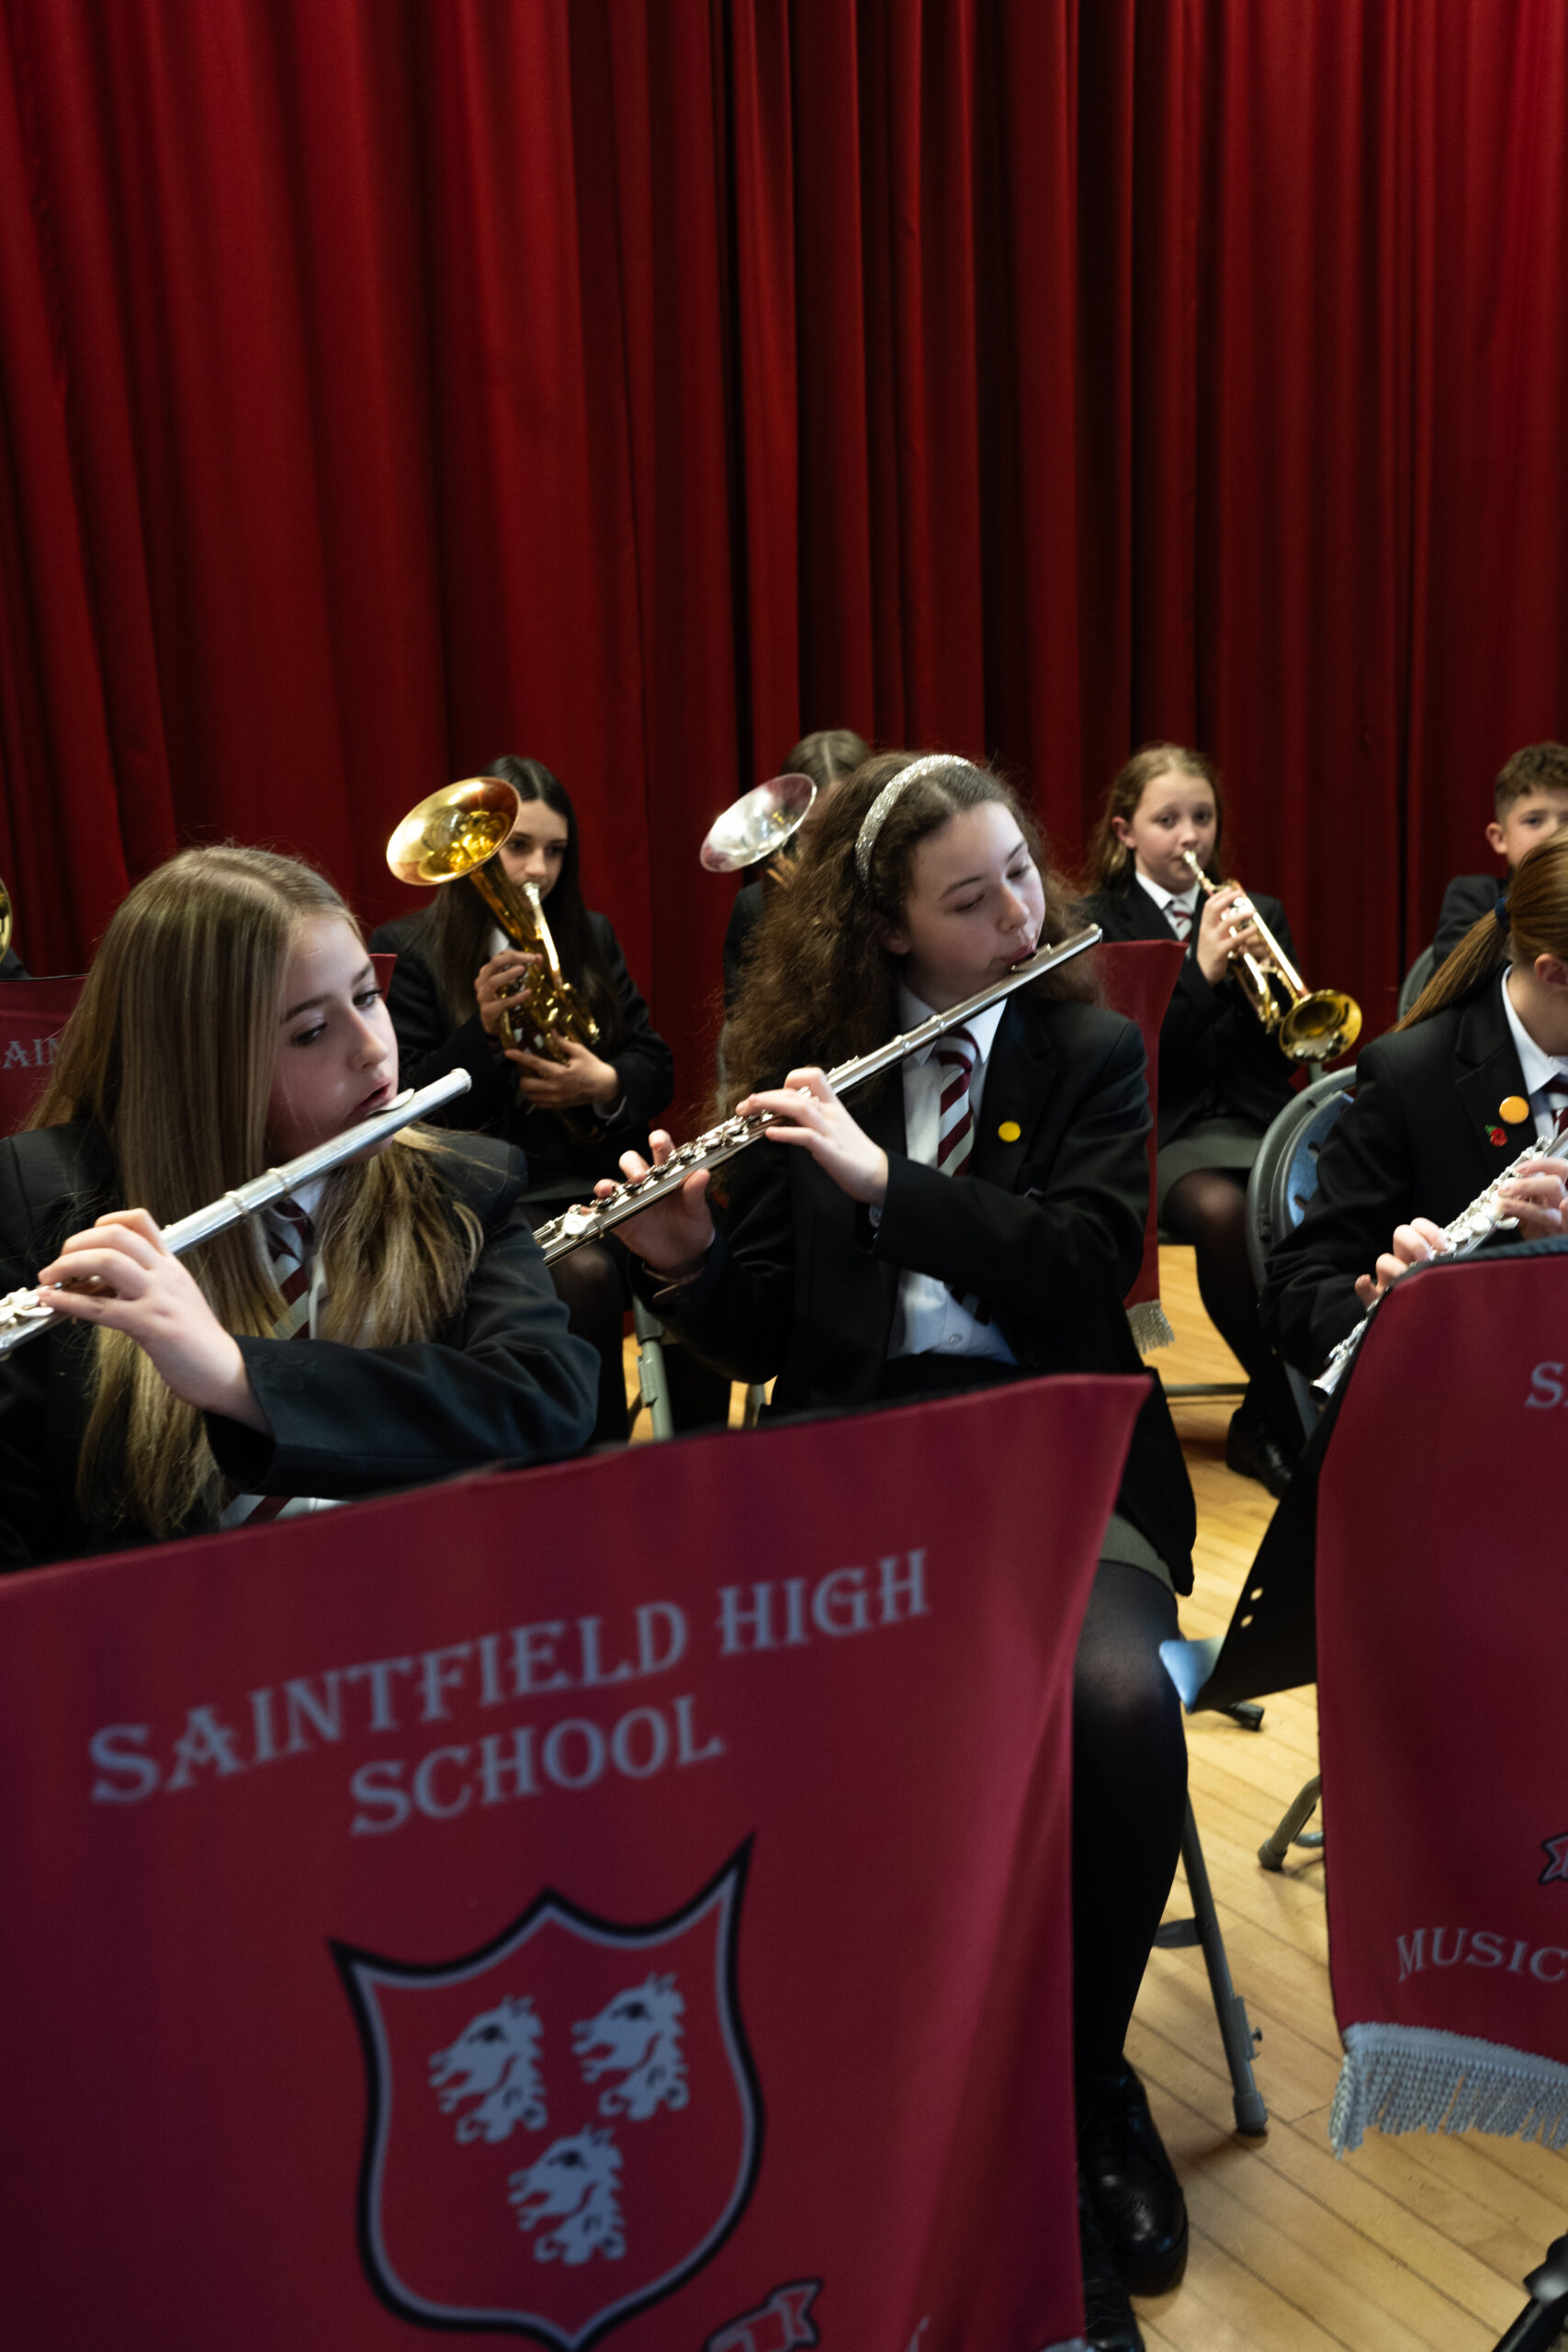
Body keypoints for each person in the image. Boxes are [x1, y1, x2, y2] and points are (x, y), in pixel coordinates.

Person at [610, 751, 1197, 2352]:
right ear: (886, 933)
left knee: (1118, 1705)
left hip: (1060, 1454)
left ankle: (1077, 2091)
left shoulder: (1087, 1049)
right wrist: (680, 1259)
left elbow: (1083, 1272)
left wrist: (892, 1189)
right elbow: (763, 1333)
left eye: (1020, 874)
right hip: (857, 1477)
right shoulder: (819, 1066)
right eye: (971, 896)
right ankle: (838, 2087)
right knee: (730, 1716)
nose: (1019, 913)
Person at [0, 847, 598, 1570]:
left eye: (367, 997)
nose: (373, 1050)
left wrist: (237, 1378)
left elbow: (543, 1405)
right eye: (311, 1031)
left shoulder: (460, 1185)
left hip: (415, 1638)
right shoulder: (44, 1199)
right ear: (204, 1064)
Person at [370, 754, 675, 1444]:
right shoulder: (407, 950)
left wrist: (603, 1085)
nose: (537, 869)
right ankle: (586, 1470)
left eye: (555, 851)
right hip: (492, 1191)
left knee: (701, 1257)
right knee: (585, 1277)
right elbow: (407, 1107)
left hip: (597, 1173)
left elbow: (654, 1063)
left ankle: (696, 1462)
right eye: (518, 847)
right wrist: (478, 1032)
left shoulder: (589, 937)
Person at [1080, 744, 1304, 1496]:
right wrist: (1202, 976)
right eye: (1167, 819)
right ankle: (1287, 1415)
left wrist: (1259, 990)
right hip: (1160, 1130)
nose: (1189, 837)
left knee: (1325, 1192)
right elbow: (1130, 1059)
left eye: (1201, 818)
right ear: (1125, 833)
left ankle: (1277, 1409)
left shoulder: (1256, 913)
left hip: (1252, 1117)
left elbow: (1282, 1054)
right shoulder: (1097, 924)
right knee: (1222, 1211)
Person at [1262, 831, 1568, 1374]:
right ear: (1555, 974)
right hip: (1464, 1399)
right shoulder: (1413, 1075)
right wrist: (1387, 1313)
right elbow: (1297, 1292)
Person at [721, 727, 870, 1008]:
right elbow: (739, 1033)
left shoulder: (896, 896)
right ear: (790, 828)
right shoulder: (753, 909)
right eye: (813, 830)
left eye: (845, 827)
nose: (830, 847)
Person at [1430, 741, 1568, 967]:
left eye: (1567, 820)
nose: (1554, 833)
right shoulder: (1474, 896)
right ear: (1500, 838)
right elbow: (1453, 983)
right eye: (1534, 820)